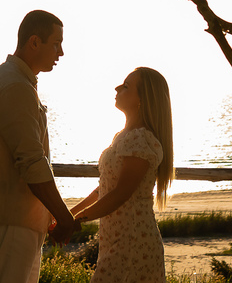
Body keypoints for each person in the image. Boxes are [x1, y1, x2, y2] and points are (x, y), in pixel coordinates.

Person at [0, 9, 77, 283]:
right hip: (12, 222)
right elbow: (32, 162)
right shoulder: (15, 85)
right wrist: (64, 216)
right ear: (34, 42)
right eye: (56, 44)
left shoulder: (13, 79)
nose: (60, 53)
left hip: (17, 220)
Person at [71, 67, 174, 283]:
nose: (117, 88)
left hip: (133, 240)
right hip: (117, 238)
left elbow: (121, 193)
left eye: (126, 86)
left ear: (142, 100)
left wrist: (75, 221)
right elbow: (105, 187)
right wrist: (70, 213)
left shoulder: (141, 139)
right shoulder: (123, 136)